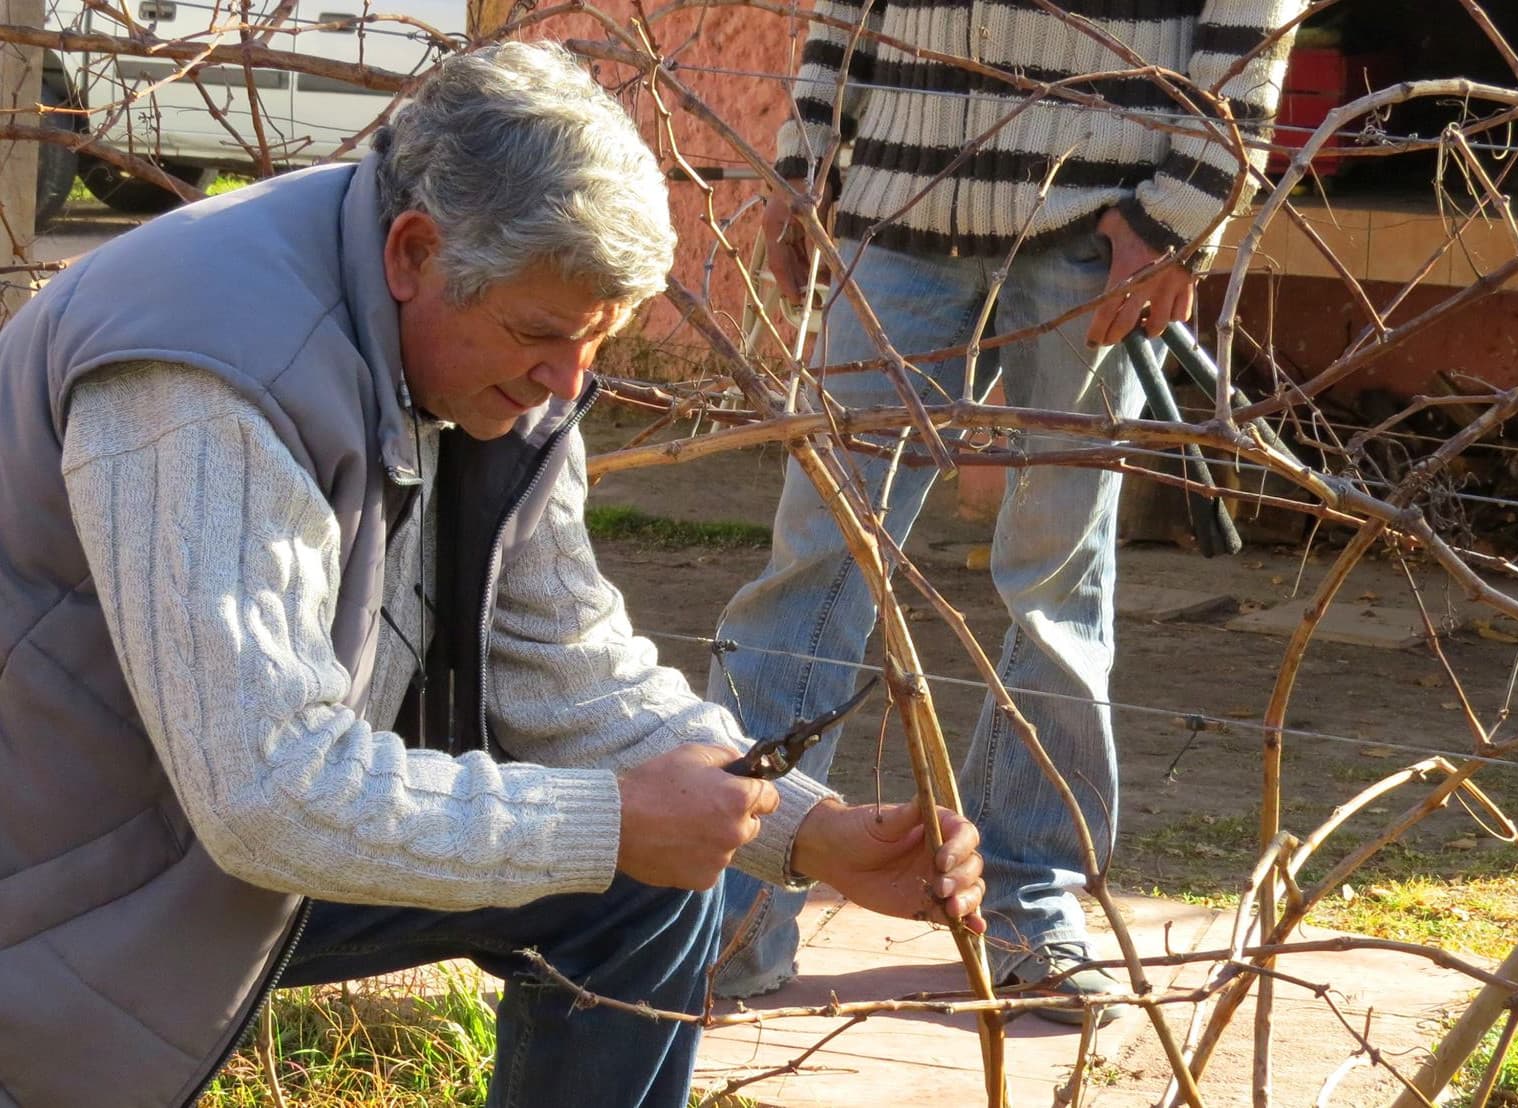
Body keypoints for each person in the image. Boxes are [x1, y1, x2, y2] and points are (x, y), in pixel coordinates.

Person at [0, 41, 987, 1108]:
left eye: (596, 343)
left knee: (647, 887)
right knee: (621, 844)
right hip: (53, 880)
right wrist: (609, 817)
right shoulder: (202, 373)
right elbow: (265, 793)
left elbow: (567, 670)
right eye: (540, 334)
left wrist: (803, 827)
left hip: (199, 846)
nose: (565, 382)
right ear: (413, 252)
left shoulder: (490, 350)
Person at [711, 2, 1303, 1021]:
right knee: (817, 554)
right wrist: (806, 162)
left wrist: (1182, 210)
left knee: (1056, 576)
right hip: (892, 208)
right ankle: (729, 913)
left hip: (1098, 229)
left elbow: (1255, 12)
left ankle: (1030, 898)